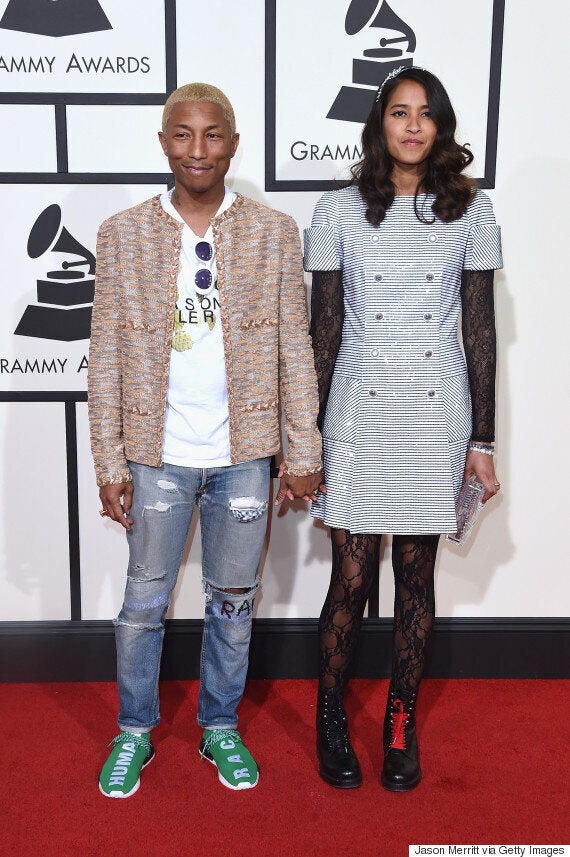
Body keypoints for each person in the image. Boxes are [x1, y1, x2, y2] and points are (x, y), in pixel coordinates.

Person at [88, 82, 323, 798]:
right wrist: (108, 458)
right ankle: (134, 730)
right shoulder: (123, 233)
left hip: (244, 453)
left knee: (232, 598)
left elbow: (294, 344)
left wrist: (302, 450)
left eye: (213, 134)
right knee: (143, 603)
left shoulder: (274, 231)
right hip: (155, 454)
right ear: (164, 142)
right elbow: (103, 355)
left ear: (233, 143)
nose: (198, 149)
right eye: (183, 134)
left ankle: (219, 724)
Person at [304, 67, 502, 791]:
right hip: (357, 405)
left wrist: (483, 440)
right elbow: (323, 331)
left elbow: (478, 332)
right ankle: (331, 718)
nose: (412, 126)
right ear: (379, 125)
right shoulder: (335, 211)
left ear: (441, 127)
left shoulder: (472, 213)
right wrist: (307, 436)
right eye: (398, 112)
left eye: (425, 114)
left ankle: (398, 723)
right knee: (349, 581)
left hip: (432, 408)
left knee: (416, 577)